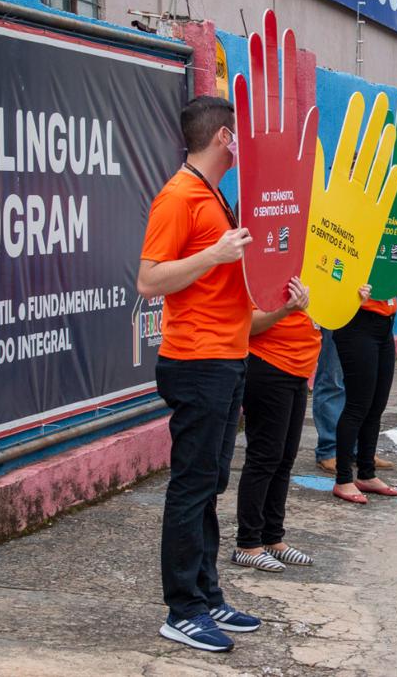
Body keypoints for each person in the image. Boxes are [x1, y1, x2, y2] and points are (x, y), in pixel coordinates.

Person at [137, 96, 258, 652]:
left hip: (227, 356)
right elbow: (150, 280)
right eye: (241, 133)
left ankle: (207, 594)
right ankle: (181, 608)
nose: (245, 141)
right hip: (196, 360)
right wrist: (213, 255)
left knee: (211, 483)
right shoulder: (179, 195)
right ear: (224, 138)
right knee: (191, 486)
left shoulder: (213, 194)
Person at [330, 233, 397, 504]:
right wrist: (351, 289)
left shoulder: (392, 236)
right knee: (358, 405)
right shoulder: (356, 231)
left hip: (385, 326)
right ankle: (343, 479)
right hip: (357, 324)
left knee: (376, 404)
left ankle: (366, 473)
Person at [233, 277, 317, 572]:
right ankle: (247, 544)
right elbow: (249, 323)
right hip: (269, 366)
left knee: (284, 459)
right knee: (264, 457)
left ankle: (272, 538)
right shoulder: (267, 266)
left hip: (299, 369)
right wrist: (286, 310)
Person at [312, 329, 394, 474]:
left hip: (365, 317)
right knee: (332, 378)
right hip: (338, 314)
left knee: (360, 383)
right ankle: (329, 450)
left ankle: (358, 450)